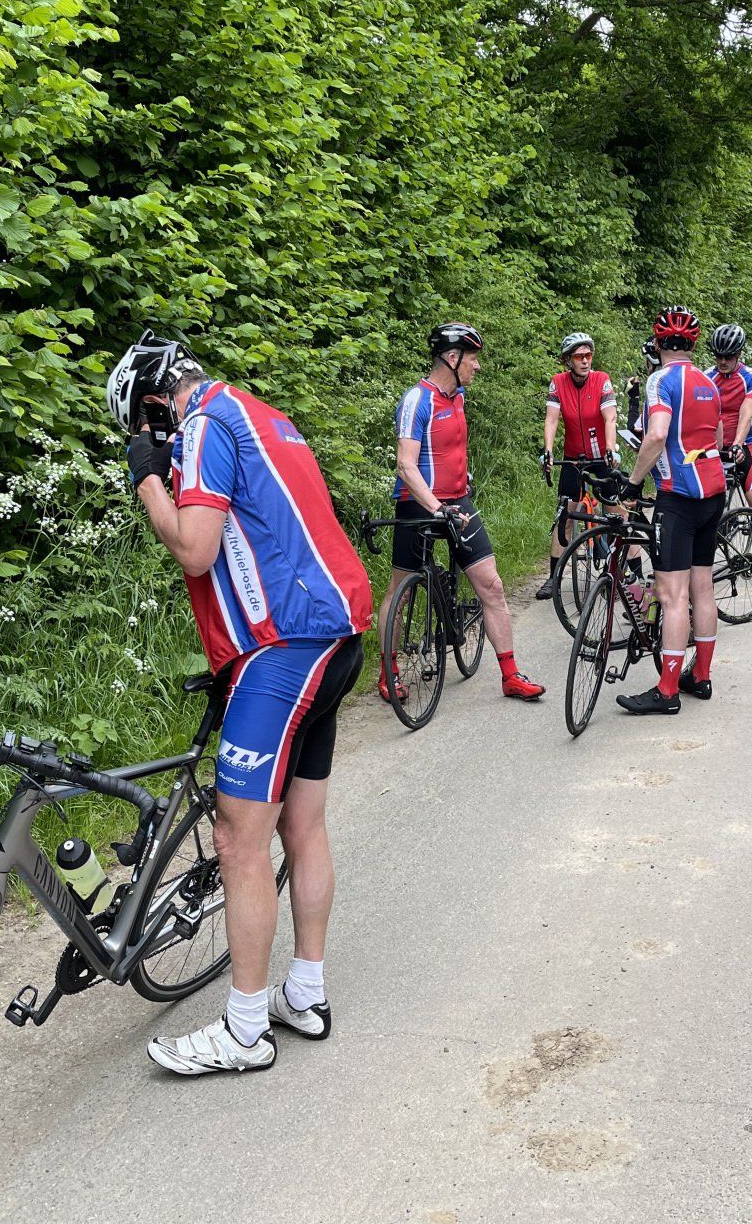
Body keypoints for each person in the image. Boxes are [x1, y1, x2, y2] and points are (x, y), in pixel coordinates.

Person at [114, 330, 373, 1076]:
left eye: (143, 427)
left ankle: (245, 1030)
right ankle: (306, 994)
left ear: (155, 403)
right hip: (335, 634)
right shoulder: (261, 414)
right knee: (304, 825)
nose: (155, 444)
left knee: (236, 838)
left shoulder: (202, 425)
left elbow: (196, 548)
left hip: (282, 647)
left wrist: (147, 480)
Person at [381, 322, 545, 701]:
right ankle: (388, 672)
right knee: (399, 592)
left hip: (457, 501)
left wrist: (461, 480)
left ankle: (510, 675)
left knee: (492, 586)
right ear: (452, 358)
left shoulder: (459, 397)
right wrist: (436, 507)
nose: (477, 365)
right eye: (472, 358)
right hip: (419, 505)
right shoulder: (416, 400)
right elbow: (406, 465)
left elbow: (451, 447)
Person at [616, 306, 726, 715]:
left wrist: (633, 483)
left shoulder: (660, 380)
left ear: (659, 342)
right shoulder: (709, 382)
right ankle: (701, 676)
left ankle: (666, 691)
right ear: (691, 344)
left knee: (672, 595)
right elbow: (716, 437)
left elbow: (658, 434)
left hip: (677, 496)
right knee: (703, 588)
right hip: (713, 492)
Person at [537, 332, 619, 601]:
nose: (585, 361)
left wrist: (610, 448)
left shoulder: (601, 379)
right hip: (573, 457)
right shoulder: (558, 382)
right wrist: (548, 450)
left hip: (601, 456)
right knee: (566, 515)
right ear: (568, 360)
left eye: (588, 355)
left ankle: (625, 572)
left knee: (615, 513)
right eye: (579, 356)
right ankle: (553, 577)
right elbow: (552, 419)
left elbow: (609, 418)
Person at [708, 323, 752, 572]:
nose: (722, 361)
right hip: (716, 446)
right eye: (718, 356)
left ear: (738, 354)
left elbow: (746, 412)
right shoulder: (707, 378)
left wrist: (737, 444)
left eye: (728, 356)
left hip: (745, 444)